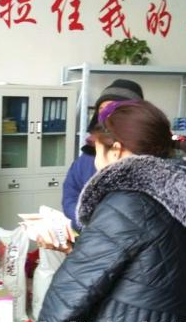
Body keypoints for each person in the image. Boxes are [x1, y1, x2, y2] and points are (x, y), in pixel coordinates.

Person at [23, 100, 186, 322]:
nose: (95, 164)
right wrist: (78, 249)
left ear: (117, 150)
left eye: (97, 152)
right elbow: (149, 277)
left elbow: (69, 295)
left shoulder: (129, 201)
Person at [62, 79, 144, 230]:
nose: (106, 115)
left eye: (114, 108)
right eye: (102, 109)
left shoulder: (147, 160)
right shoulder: (88, 156)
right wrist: (84, 219)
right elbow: (70, 195)